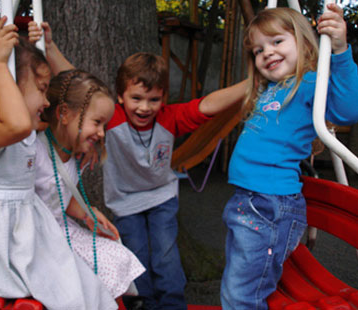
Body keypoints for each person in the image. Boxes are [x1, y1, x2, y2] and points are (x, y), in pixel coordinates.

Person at [29, 20, 247, 309]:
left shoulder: (170, 118)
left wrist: (251, 83)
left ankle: (172, 305)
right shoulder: (113, 118)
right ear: (121, 97)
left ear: (163, 99)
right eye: (136, 98)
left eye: (154, 99)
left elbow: (208, 104)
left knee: (166, 257)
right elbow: (77, 83)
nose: (145, 107)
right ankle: (144, 305)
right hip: (125, 202)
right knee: (137, 257)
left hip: (162, 198)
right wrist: (50, 46)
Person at [0, 17, 117, 310]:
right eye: (40, 89)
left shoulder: (28, 131)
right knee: (69, 293)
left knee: (86, 287)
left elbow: (79, 94)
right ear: (5, 82)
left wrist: (44, 46)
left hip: (25, 238)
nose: (47, 101)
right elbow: (17, 124)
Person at [220, 4, 358, 309]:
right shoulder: (269, 89)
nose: (266, 53)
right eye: (258, 50)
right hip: (249, 200)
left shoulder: (309, 83)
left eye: (277, 42)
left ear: (304, 43)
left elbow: (348, 109)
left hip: (270, 205)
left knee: (242, 292)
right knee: (238, 282)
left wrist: (339, 50)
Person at [34, 69, 146, 301]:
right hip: (39, 236)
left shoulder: (77, 155)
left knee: (115, 250)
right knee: (89, 270)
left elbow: (60, 196)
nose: (101, 133)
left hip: (60, 229)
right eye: (97, 123)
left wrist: (88, 215)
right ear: (64, 113)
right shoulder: (34, 151)